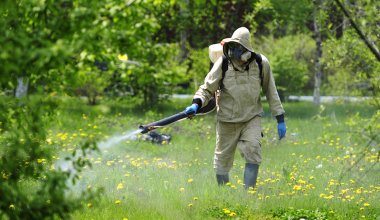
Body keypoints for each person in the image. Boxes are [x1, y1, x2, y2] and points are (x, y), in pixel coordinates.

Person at [184, 27, 286, 189]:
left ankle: (248, 194)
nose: (233, 51)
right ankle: (225, 195)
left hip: (251, 118)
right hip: (227, 120)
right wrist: (196, 104)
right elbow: (207, 88)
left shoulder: (261, 63)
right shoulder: (223, 62)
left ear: (246, 49)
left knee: (253, 151)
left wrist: (279, 117)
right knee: (222, 161)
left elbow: (270, 91)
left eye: (237, 47)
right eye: (232, 47)